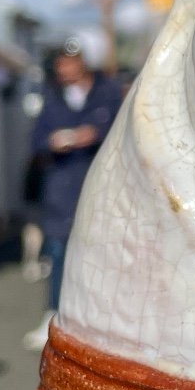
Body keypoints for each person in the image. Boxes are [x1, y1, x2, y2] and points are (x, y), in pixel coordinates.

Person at [22, 38, 123, 350]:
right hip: (62, 187)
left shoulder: (107, 91)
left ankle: (108, 320)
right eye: (60, 64)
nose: (64, 69)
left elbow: (122, 129)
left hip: (102, 183)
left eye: (69, 62)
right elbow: (36, 141)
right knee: (58, 251)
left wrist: (93, 133)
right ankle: (54, 315)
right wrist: (54, 141)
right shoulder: (50, 96)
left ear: (81, 62)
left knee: (106, 251)